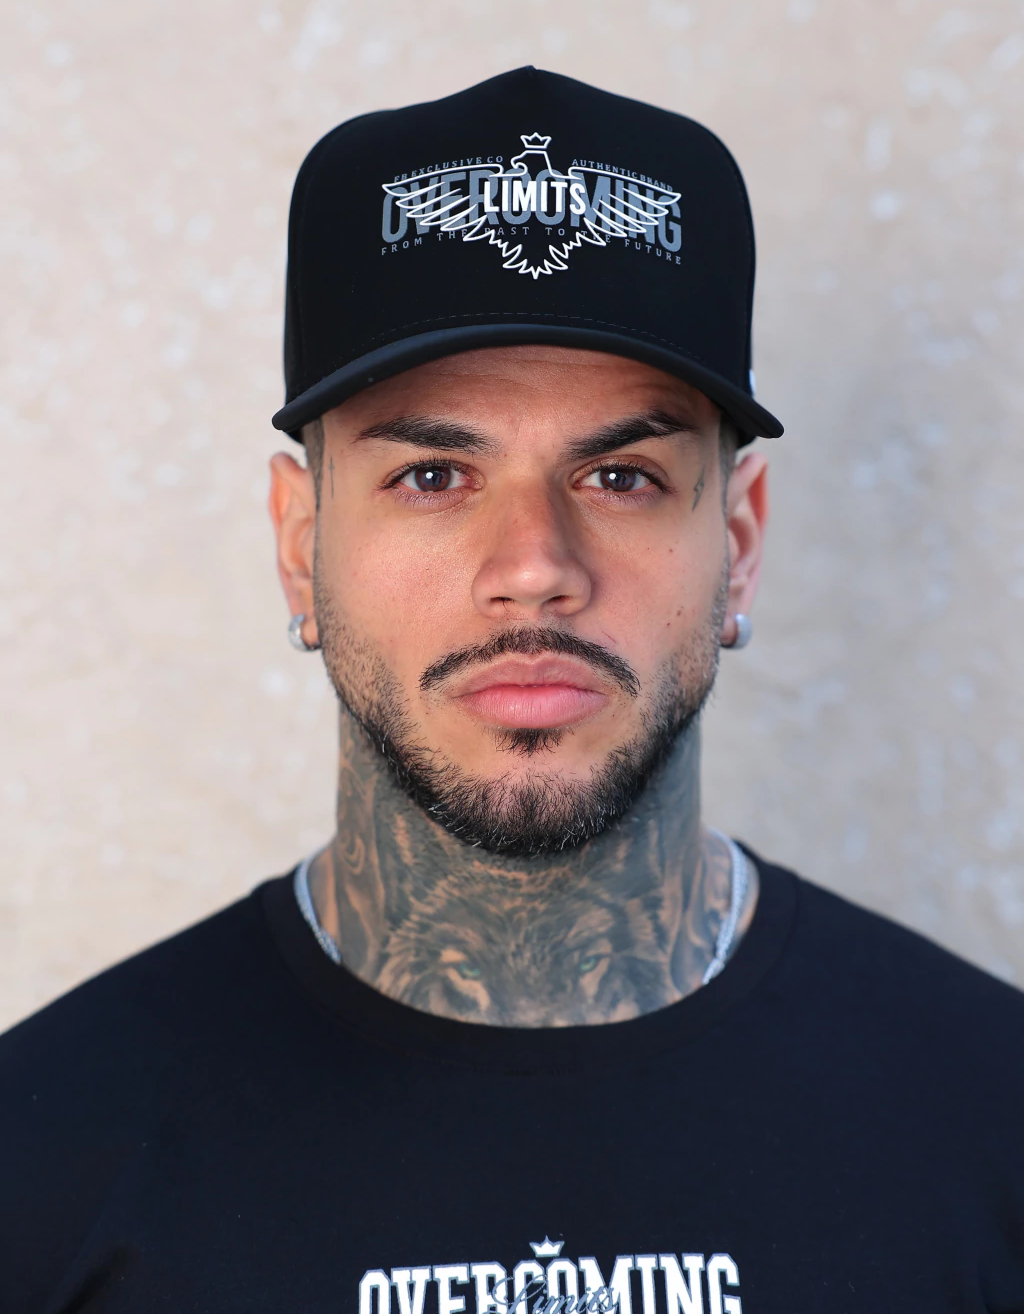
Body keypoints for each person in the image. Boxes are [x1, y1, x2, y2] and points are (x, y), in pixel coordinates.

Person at [1, 67, 1022, 1311]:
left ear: (739, 541)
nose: (534, 567)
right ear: (301, 543)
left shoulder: (990, 1126)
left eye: (622, 478)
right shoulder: (42, 1171)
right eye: (433, 477)